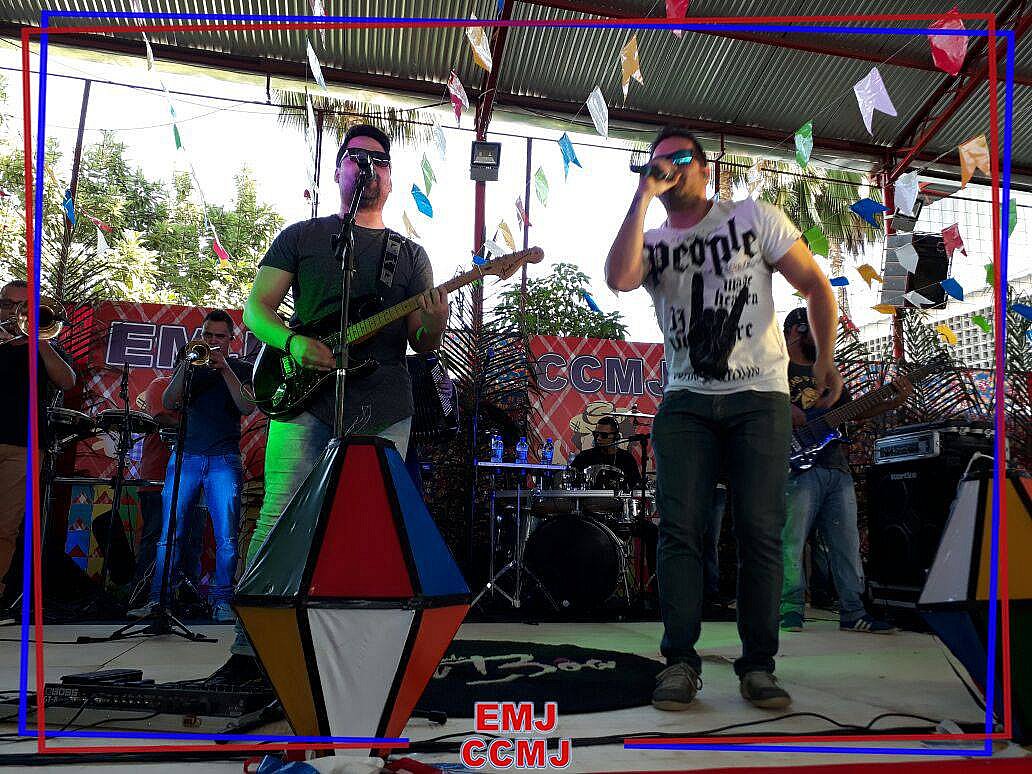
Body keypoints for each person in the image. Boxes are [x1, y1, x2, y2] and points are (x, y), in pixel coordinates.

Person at [606, 126, 842, 711]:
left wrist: (825, 358)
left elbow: (815, 286)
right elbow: (618, 279)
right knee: (681, 533)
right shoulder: (652, 240)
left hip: (759, 397)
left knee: (759, 531)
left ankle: (758, 664)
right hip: (686, 400)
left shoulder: (752, 217)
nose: (667, 167)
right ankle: (680, 662)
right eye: (657, 161)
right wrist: (641, 197)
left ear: (706, 168)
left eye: (680, 158)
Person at [212, 124, 448, 686]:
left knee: (370, 525)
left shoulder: (410, 255)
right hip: (303, 398)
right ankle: (250, 651)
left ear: (390, 178)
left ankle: (355, 657)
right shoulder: (302, 236)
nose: (368, 166)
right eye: (356, 156)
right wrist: (293, 343)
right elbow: (257, 310)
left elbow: (424, 343)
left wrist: (435, 317)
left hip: (384, 402)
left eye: (379, 160)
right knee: (279, 514)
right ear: (339, 169)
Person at [780, 307, 909, 635]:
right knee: (791, 541)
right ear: (796, 330)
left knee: (846, 543)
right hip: (795, 465)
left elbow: (854, 411)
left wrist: (892, 401)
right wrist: (783, 406)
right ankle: (790, 609)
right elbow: (752, 401)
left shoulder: (827, 370)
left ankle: (853, 611)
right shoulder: (774, 366)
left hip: (836, 466)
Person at [128, 309, 254, 622]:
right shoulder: (190, 365)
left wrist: (225, 369)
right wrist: (186, 364)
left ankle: (222, 601)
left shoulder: (241, 368)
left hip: (224, 458)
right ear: (200, 335)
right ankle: (159, 601)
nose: (213, 341)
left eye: (220, 337)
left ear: (231, 339)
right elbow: (169, 401)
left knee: (226, 536)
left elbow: (247, 406)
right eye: (208, 335)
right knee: (169, 532)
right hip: (185, 456)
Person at [0, 280, 76, 606]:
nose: (16, 313)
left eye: (25, 308)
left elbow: (67, 381)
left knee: (5, 527)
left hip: (24, 445)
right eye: (10, 305)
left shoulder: (44, 346)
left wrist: (38, 341)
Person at [568, 415, 642, 489]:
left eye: (604, 435)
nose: (598, 438)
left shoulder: (627, 458)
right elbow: (570, 481)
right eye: (596, 434)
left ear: (616, 437)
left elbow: (635, 485)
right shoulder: (584, 456)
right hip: (588, 496)